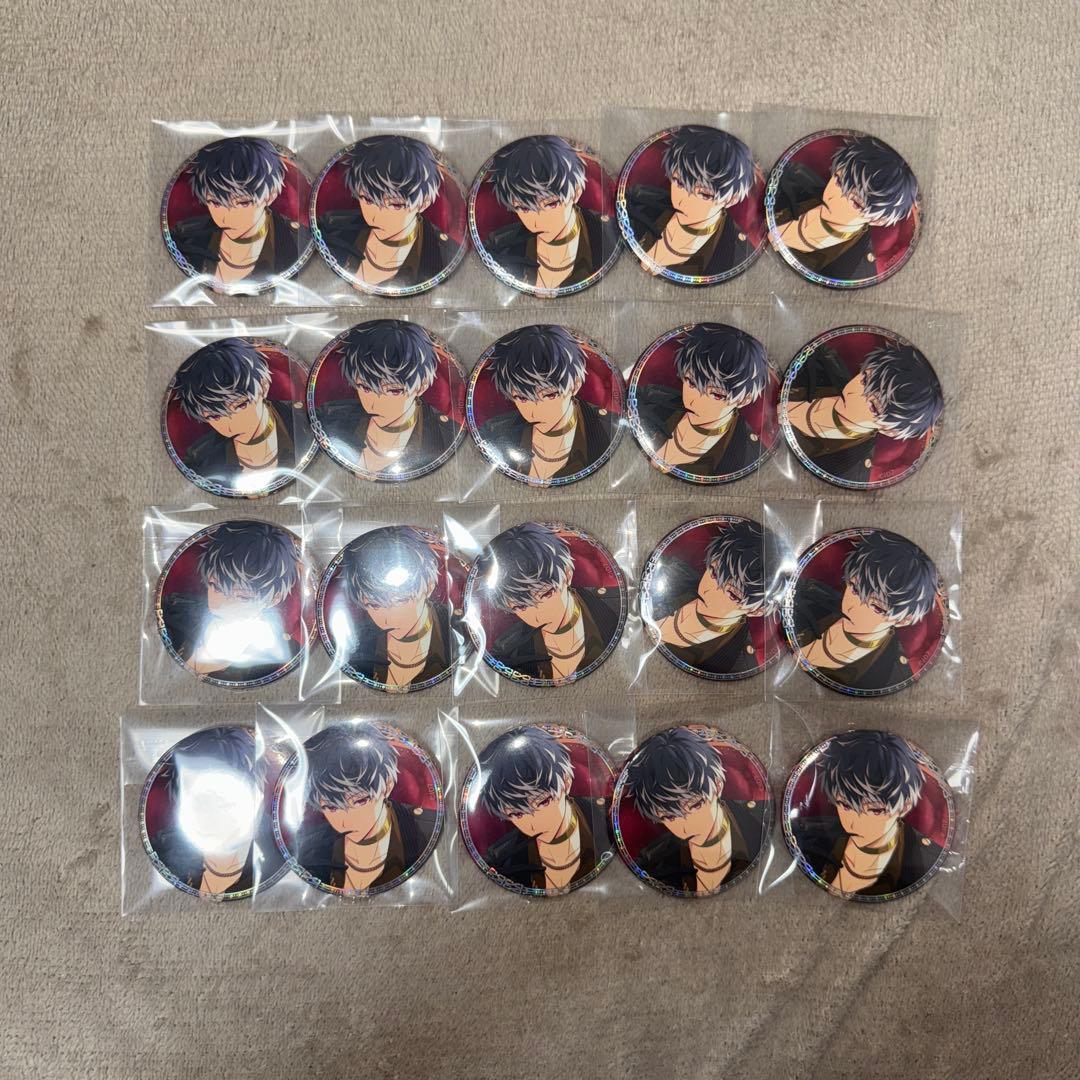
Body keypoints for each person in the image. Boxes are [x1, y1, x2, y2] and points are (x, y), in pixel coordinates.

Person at [795, 730, 943, 897]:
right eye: (845, 805)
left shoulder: (925, 858)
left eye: (875, 810)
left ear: (905, 806)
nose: (853, 824)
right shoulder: (806, 836)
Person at [297, 723, 438, 894]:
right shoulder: (310, 850)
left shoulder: (424, 829)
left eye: (359, 801)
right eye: (331, 807)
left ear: (387, 786)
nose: (345, 822)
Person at [794, 530, 940, 691]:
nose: (851, 608)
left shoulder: (889, 674)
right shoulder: (813, 597)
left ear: (904, 620)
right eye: (854, 588)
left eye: (877, 607)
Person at [625, 727, 765, 894]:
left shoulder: (760, 827)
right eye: (669, 817)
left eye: (695, 805)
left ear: (718, 785)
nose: (685, 827)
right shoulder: (653, 863)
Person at [476, 523, 621, 684]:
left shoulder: (615, 607)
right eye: (520, 607)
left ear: (567, 574)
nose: (538, 616)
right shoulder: (507, 649)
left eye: (546, 594)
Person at [784, 342, 943, 484]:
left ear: (890, 430)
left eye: (873, 406)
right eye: (864, 379)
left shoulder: (850, 471)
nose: (852, 393)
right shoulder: (823, 360)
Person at [314, 320, 456, 478]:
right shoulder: (328, 417)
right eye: (365, 388)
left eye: (394, 391)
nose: (373, 405)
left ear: (421, 386)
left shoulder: (446, 435)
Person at [161, 521, 301, 681]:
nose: (220, 605)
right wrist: (195, 664)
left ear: (274, 599)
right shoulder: (173, 611)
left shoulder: (287, 656)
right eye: (216, 586)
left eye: (243, 597)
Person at [317, 135, 457, 290]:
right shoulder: (330, 229)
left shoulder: (444, 254)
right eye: (367, 199)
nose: (376, 217)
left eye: (395, 205)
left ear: (424, 203)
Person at [477, 726, 608, 893]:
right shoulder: (503, 859)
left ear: (566, 782)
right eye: (517, 814)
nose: (534, 824)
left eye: (543, 802)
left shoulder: (606, 818)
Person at [772, 134, 918, 282]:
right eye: (838, 180)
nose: (834, 197)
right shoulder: (796, 180)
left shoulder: (848, 273)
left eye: (856, 203)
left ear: (879, 220)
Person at [478, 325, 615, 483]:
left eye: (549, 395)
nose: (534, 412)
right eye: (522, 398)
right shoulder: (494, 432)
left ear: (575, 385)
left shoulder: (606, 428)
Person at [482, 135, 618, 292]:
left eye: (550, 204)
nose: (536, 222)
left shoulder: (608, 235)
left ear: (576, 193)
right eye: (523, 208)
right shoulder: (500, 247)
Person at [635, 323, 770, 478]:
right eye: (691, 382)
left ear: (744, 400)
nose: (694, 402)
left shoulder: (747, 452)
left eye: (716, 395)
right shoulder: (650, 399)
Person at [171, 136, 308, 286]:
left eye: (243, 203)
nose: (226, 218)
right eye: (215, 203)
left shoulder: (299, 241)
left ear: (271, 195)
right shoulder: (184, 237)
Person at [624, 125, 759, 277]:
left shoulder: (737, 253)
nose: (682, 201)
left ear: (731, 199)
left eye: (704, 194)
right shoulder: (638, 201)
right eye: (679, 182)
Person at [336, 526, 454, 689]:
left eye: (400, 601)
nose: (388, 620)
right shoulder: (357, 645)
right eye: (374, 605)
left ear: (429, 586)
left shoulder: (455, 632)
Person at [173, 338, 300, 486]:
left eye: (240, 405)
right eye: (214, 416)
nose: (231, 426)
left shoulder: (305, 421)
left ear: (263, 386)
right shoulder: (199, 459)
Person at [150, 726, 259, 896]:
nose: (210, 812)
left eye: (223, 799)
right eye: (201, 799)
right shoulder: (164, 852)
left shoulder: (271, 853)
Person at [651, 519, 769, 676]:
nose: (707, 589)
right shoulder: (669, 572)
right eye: (713, 571)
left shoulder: (736, 660)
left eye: (732, 594)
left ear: (757, 611)